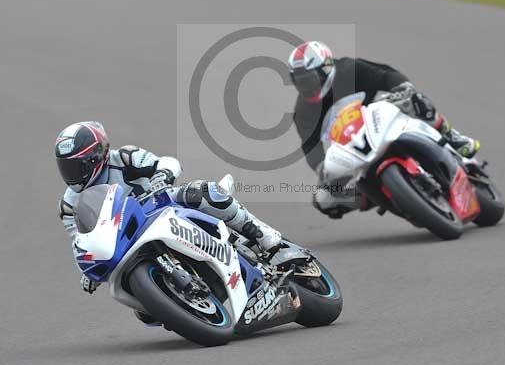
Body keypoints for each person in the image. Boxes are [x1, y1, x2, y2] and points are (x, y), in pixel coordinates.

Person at [55, 121, 281, 316]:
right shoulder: (68, 205)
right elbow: (81, 241)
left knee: (203, 193)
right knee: (144, 314)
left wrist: (161, 175)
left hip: (157, 206)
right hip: (124, 239)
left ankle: (261, 233)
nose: (71, 174)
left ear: (96, 156)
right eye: (65, 167)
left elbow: (167, 162)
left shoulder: (124, 157)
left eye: (76, 166)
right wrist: (88, 271)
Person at [287, 41, 480, 218]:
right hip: (353, 148)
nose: (306, 86)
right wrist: (322, 168)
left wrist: (402, 87)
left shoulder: (349, 69)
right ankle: (379, 197)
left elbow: (386, 75)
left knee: (417, 101)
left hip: (380, 118)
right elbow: (310, 148)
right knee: (324, 199)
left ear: (325, 68)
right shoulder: (304, 111)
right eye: (299, 81)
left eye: (309, 79)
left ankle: (452, 136)